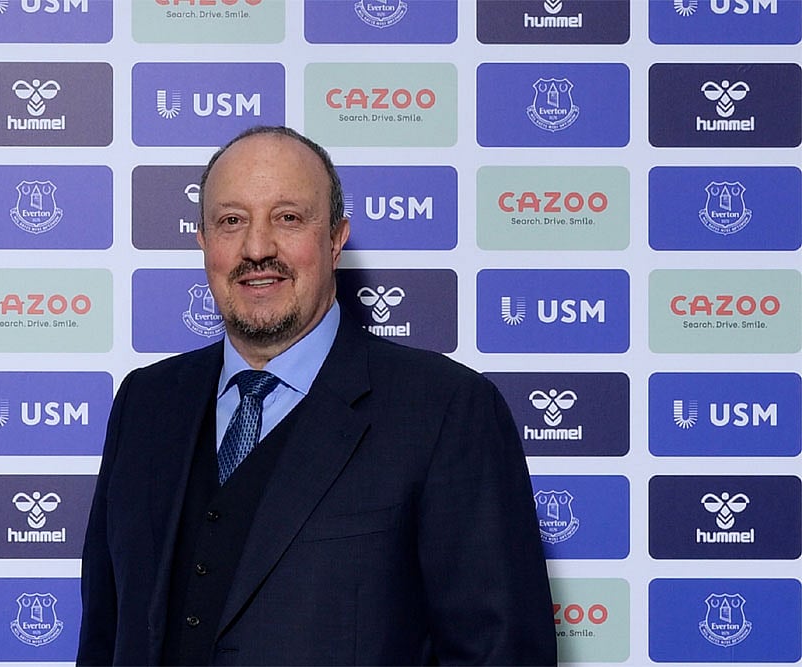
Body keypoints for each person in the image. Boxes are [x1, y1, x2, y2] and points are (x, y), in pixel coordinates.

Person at [77, 126, 556, 666]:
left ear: (335, 239)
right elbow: (104, 637)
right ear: (204, 242)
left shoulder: (447, 410)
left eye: (288, 218)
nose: (257, 248)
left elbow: (501, 653)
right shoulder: (145, 404)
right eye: (232, 221)